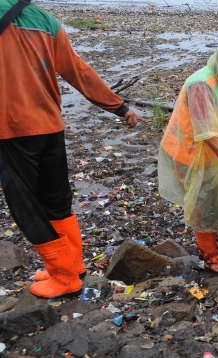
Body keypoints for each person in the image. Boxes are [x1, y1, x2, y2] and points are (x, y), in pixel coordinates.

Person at [0, 0, 146, 298]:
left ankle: (65, 277)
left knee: (27, 207)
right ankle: (73, 265)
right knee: (56, 201)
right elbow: (79, 71)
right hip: (51, 127)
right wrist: (119, 107)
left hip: (12, 129)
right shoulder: (46, 21)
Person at [158, 27, 218, 274]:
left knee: (213, 197)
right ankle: (210, 256)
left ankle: (212, 243)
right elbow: (209, 134)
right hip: (189, 151)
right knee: (202, 203)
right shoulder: (201, 84)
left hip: (209, 152)